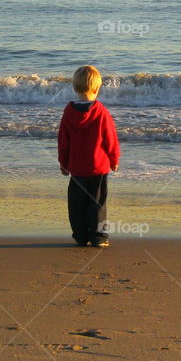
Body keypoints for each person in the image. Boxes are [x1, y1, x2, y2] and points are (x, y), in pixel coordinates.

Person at [57, 65, 120, 247]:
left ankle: (80, 235)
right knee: (97, 203)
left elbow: (63, 140)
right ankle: (98, 237)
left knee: (77, 204)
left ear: (75, 88)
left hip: (77, 167)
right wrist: (114, 159)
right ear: (96, 88)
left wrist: (63, 162)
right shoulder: (101, 112)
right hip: (98, 167)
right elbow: (111, 139)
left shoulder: (69, 112)